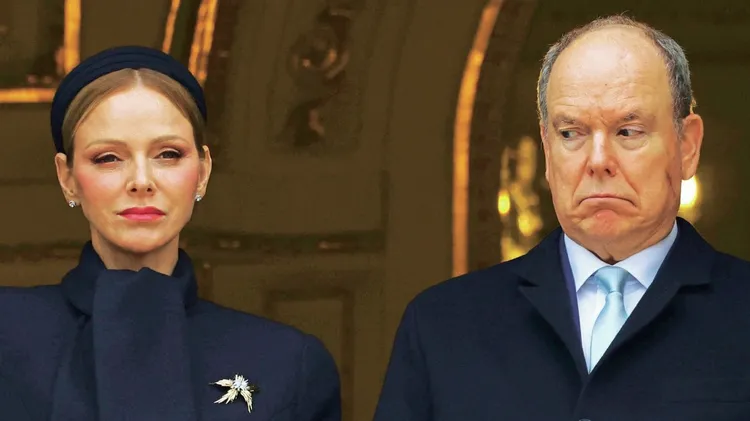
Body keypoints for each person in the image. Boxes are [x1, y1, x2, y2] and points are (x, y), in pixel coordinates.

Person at [374, 15, 750, 421]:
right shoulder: (442, 325)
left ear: (687, 146)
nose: (599, 160)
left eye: (628, 131)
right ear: (547, 149)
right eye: (571, 133)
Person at [0, 46, 341, 421]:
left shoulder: (286, 363)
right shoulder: (8, 333)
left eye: (168, 154)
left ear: (203, 171)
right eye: (108, 158)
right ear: (67, 178)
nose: (141, 181)